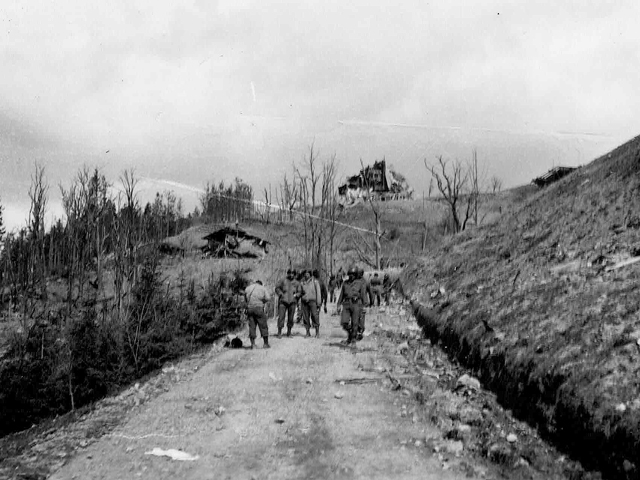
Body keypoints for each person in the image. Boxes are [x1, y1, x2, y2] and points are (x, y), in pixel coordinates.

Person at [337, 266, 367, 345]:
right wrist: (338, 305)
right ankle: (350, 336)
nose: (351, 276)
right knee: (344, 322)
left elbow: (363, 295)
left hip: (356, 304)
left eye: (353, 274)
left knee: (355, 323)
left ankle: (353, 339)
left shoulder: (360, 283)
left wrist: (364, 306)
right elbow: (341, 295)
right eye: (350, 274)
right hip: (346, 304)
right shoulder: (345, 283)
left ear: (356, 275)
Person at [243, 279, 271, 349]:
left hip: (250, 309)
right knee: (263, 325)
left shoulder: (248, 288)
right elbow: (268, 298)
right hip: (259, 308)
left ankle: (253, 345)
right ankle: (265, 344)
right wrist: (262, 301)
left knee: (252, 326)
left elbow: (245, 299)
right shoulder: (262, 288)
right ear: (260, 284)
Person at [275, 269, 299, 338]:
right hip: (283, 301)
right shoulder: (282, 280)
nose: (291, 275)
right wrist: (280, 294)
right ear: (287, 273)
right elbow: (277, 288)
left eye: (292, 273)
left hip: (292, 302)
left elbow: (300, 291)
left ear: (294, 274)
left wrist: (297, 295)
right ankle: (279, 332)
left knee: (291, 318)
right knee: (281, 317)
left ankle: (289, 332)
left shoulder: (297, 283)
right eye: (290, 273)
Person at [299, 269, 322, 337]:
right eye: (305, 274)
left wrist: (318, 303)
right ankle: (307, 332)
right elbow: (300, 293)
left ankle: (317, 332)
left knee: (315, 316)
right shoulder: (302, 283)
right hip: (304, 302)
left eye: (308, 273)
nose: (306, 275)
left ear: (310, 274)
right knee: (305, 317)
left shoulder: (315, 282)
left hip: (313, 302)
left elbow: (318, 293)